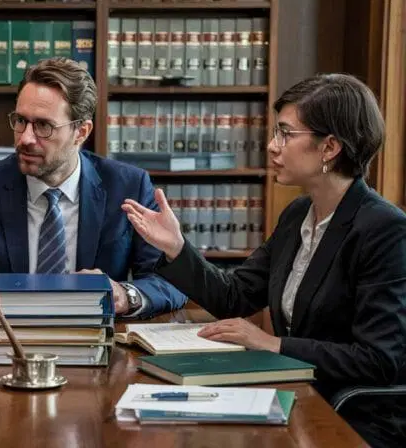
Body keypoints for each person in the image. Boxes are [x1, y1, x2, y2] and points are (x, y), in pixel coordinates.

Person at [122, 73, 406, 447]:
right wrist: (176, 246)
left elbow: (378, 359)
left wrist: (271, 344)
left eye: (286, 134)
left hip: (350, 418)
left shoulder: (385, 229)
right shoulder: (298, 214)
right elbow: (235, 297)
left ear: (330, 147)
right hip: (297, 395)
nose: (272, 146)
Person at [0, 57, 186, 320]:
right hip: (5, 342)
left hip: (99, 344)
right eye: (20, 121)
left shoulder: (128, 186)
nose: (25, 138)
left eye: (43, 126)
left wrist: (123, 295)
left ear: (81, 132)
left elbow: (174, 282)